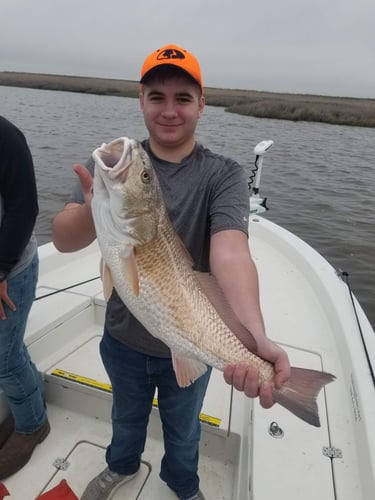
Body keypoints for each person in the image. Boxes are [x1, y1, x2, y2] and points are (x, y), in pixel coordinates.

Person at [52, 44, 290, 500]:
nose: (169, 110)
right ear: (140, 100)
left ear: (202, 104)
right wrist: (93, 207)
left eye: (183, 98)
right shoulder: (107, 171)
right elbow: (64, 239)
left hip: (191, 340)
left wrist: (253, 337)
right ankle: (120, 466)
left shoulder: (223, 174)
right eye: (156, 96)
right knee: (125, 417)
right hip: (123, 337)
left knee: (184, 431)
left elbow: (231, 253)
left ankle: (182, 485)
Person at [0, 116, 50, 480]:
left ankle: (33, 424)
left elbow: (24, 209)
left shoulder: (5, 136)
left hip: (10, 270)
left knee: (3, 357)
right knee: (10, 349)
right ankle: (27, 407)